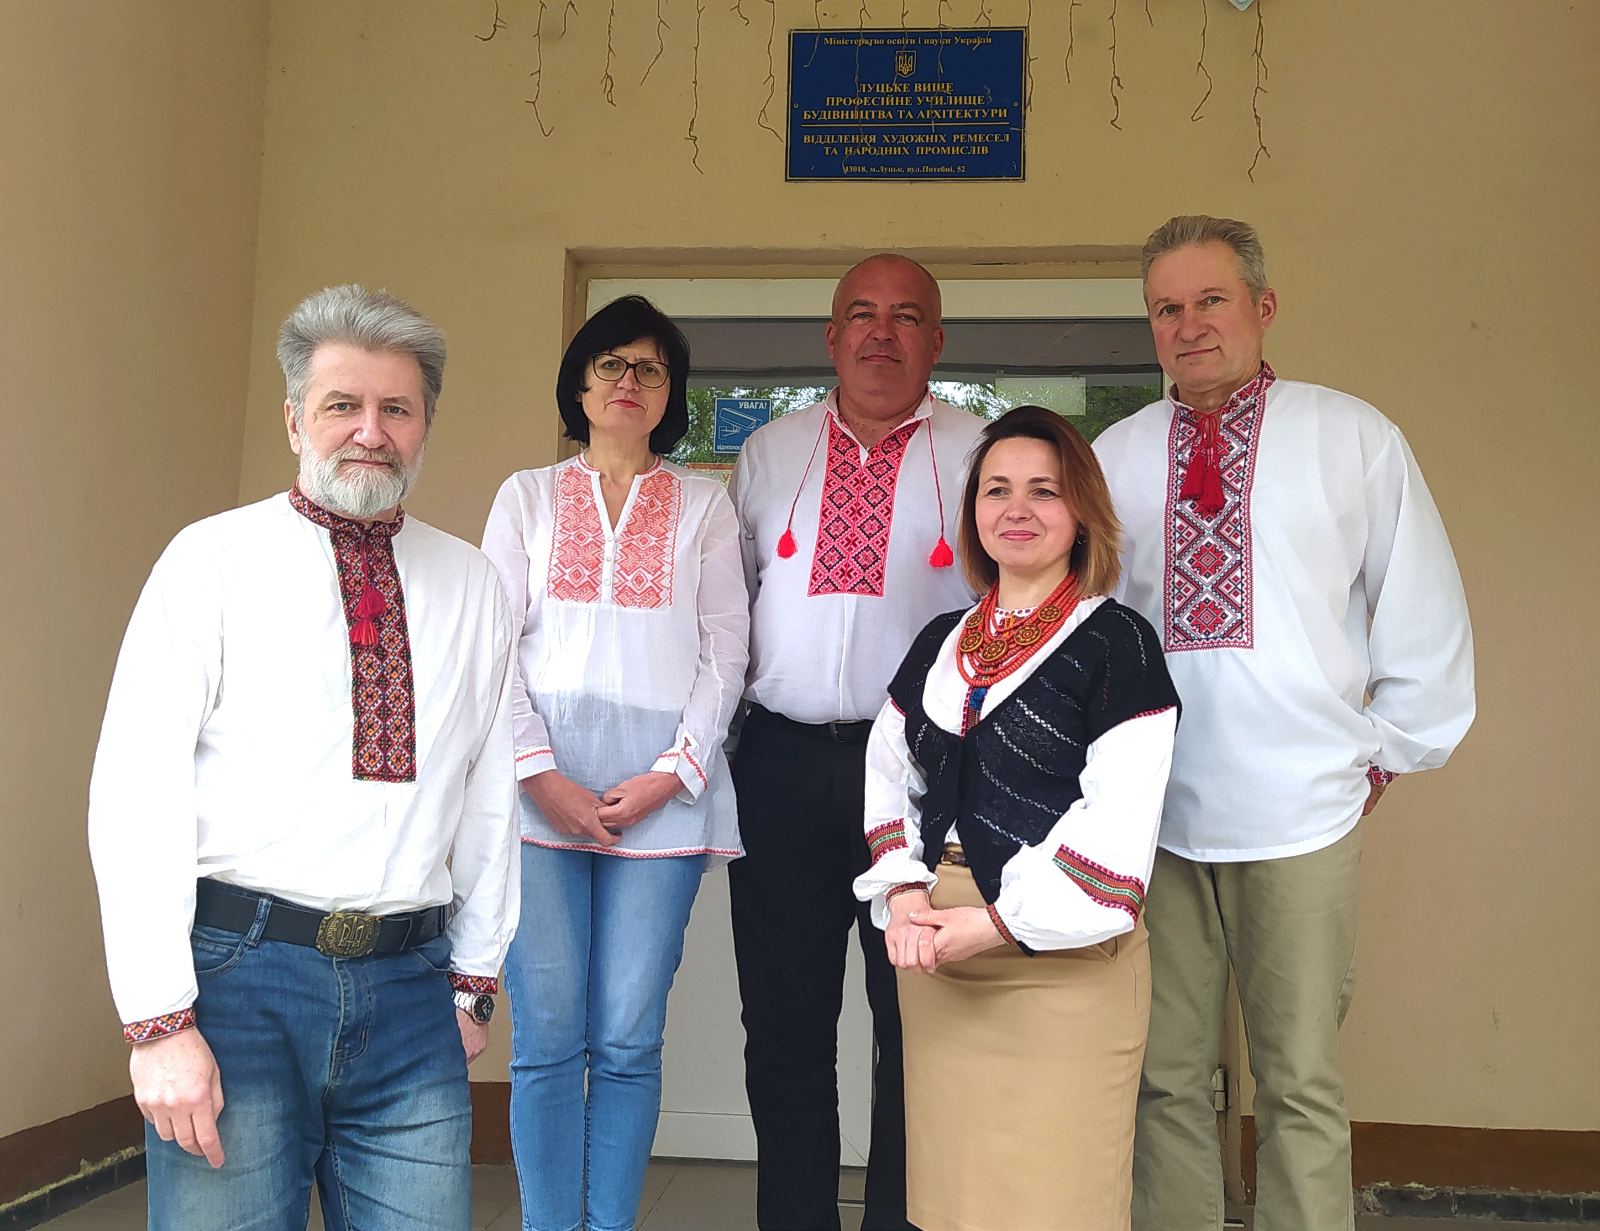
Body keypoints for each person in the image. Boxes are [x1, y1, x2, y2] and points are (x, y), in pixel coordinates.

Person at [87, 284, 520, 1230]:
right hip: (237, 985)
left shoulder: (474, 584)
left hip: (412, 991)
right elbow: (135, 789)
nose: (371, 431)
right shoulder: (211, 560)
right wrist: (159, 1021)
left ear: (425, 426)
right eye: (342, 405)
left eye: (396, 408)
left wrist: (474, 980)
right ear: (294, 420)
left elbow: (491, 793)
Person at [1093, 215, 1476, 1231]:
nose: (1189, 325)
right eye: (1166, 308)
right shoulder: (1115, 457)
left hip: (1304, 810)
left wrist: (1380, 759)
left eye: (1210, 300)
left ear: (1263, 307)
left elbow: (1421, 605)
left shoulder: (1351, 437)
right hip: (1155, 816)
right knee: (1163, 1077)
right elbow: (1083, 630)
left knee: (1298, 1078)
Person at [854, 405, 1180, 1231]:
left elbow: (1118, 816)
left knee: (1056, 1202)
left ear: (1082, 511)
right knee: (952, 1203)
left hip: (1062, 959)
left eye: (1044, 489)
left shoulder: (1118, 643)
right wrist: (902, 892)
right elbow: (890, 769)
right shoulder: (941, 640)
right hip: (940, 957)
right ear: (974, 512)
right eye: (996, 489)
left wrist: (997, 923)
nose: (1017, 508)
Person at [480, 294, 748, 1231]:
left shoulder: (705, 505)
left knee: (628, 1039)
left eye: (650, 368)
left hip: (662, 797)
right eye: (611, 364)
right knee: (548, 1039)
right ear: (581, 384)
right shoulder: (525, 497)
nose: (630, 381)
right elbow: (493, 647)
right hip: (536, 795)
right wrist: (538, 772)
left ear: (670, 393)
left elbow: (727, 651)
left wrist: (675, 772)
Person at [728, 254, 985, 1231]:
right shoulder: (770, 452)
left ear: (937, 341)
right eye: (862, 315)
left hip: (924, 776)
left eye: (906, 316)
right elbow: (728, 611)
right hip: (782, 765)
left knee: (916, 1022)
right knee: (783, 1025)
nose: (882, 333)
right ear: (831, 336)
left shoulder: (982, 454)